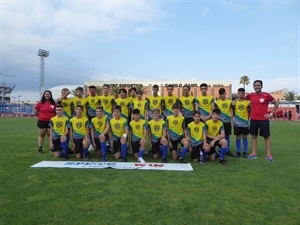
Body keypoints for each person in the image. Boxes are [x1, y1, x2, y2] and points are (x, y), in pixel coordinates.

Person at [245, 80, 279, 162]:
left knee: (266, 137)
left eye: (258, 85)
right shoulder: (250, 95)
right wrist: (234, 102)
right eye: (255, 85)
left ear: (261, 86)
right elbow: (241, 98)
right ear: (253, 87)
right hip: (253, 119)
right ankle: (253, 153)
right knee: (253, 136)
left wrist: (270, 114)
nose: (257, 87)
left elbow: (276, 103)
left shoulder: (266, 95)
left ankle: (268, 154)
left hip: (263, 120)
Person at [214, 88, 234, 157]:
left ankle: (227, 150)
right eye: (221, 94)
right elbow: (216, 112)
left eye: (223, 94)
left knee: (227, 136)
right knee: (220, 136)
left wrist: (231, 121)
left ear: (225, 93)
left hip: (227, 121)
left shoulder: (229, 102)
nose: (222, 95)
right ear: (219, 95)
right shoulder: (217, 102)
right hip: (220, 122)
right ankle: (221, 149)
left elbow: (231, 111)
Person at [232, 88, 250, 158]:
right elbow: (232, 112)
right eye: (239, 93)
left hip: (245, 122)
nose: (241, 94)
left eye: (242, 93)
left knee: (245, 137)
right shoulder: (234, 103)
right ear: (237, 94)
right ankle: (238, 152)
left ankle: (245, 152)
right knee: (238, 137)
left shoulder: (247, 103)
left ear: (244, 94)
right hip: (237, 122)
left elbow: (249, 112)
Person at [86, 85, 101, 151]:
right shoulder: (87, 98)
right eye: (90, 90)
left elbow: (100, 107)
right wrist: (87, 114)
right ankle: (92, 144)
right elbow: (86, 108)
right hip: (89, 117)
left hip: (96, 117)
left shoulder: (99, 98)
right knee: (90, 131)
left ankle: (101, 143)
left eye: (93, 89)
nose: (91, 91)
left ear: (95, 90)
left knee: (97, 130)